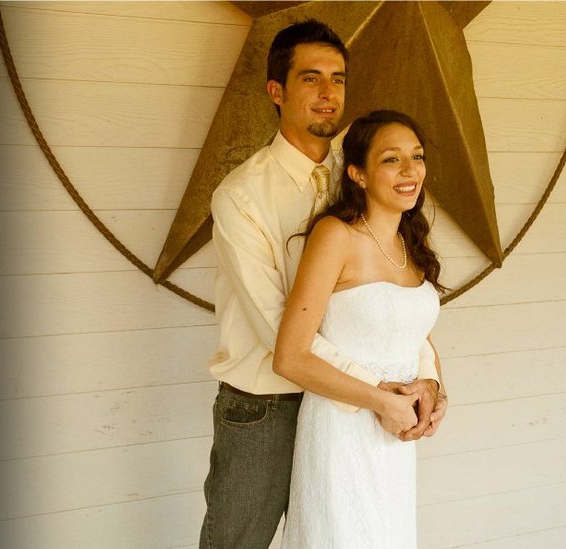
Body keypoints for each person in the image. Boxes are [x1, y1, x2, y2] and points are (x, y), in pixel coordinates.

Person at [201, 20, 447, 549]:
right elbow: (279, 330)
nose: (328, 92)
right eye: (310, 78)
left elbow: (393, 294)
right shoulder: (241, 196)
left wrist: (426, 380)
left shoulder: (363, 166)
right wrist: (378, 390)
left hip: (354, 412)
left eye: (338, 78)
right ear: (276, 91)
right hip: (268, 403)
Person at [274, 109, 446, 548]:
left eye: (417, 156)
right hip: (342, 431)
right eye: (391, 159)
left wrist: (433, 389)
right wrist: (381, 401)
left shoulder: (410, 243)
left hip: (395, 439)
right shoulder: (336, 236)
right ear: (358, 174)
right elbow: (290, 356)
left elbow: (414, 335)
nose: (410, 170)